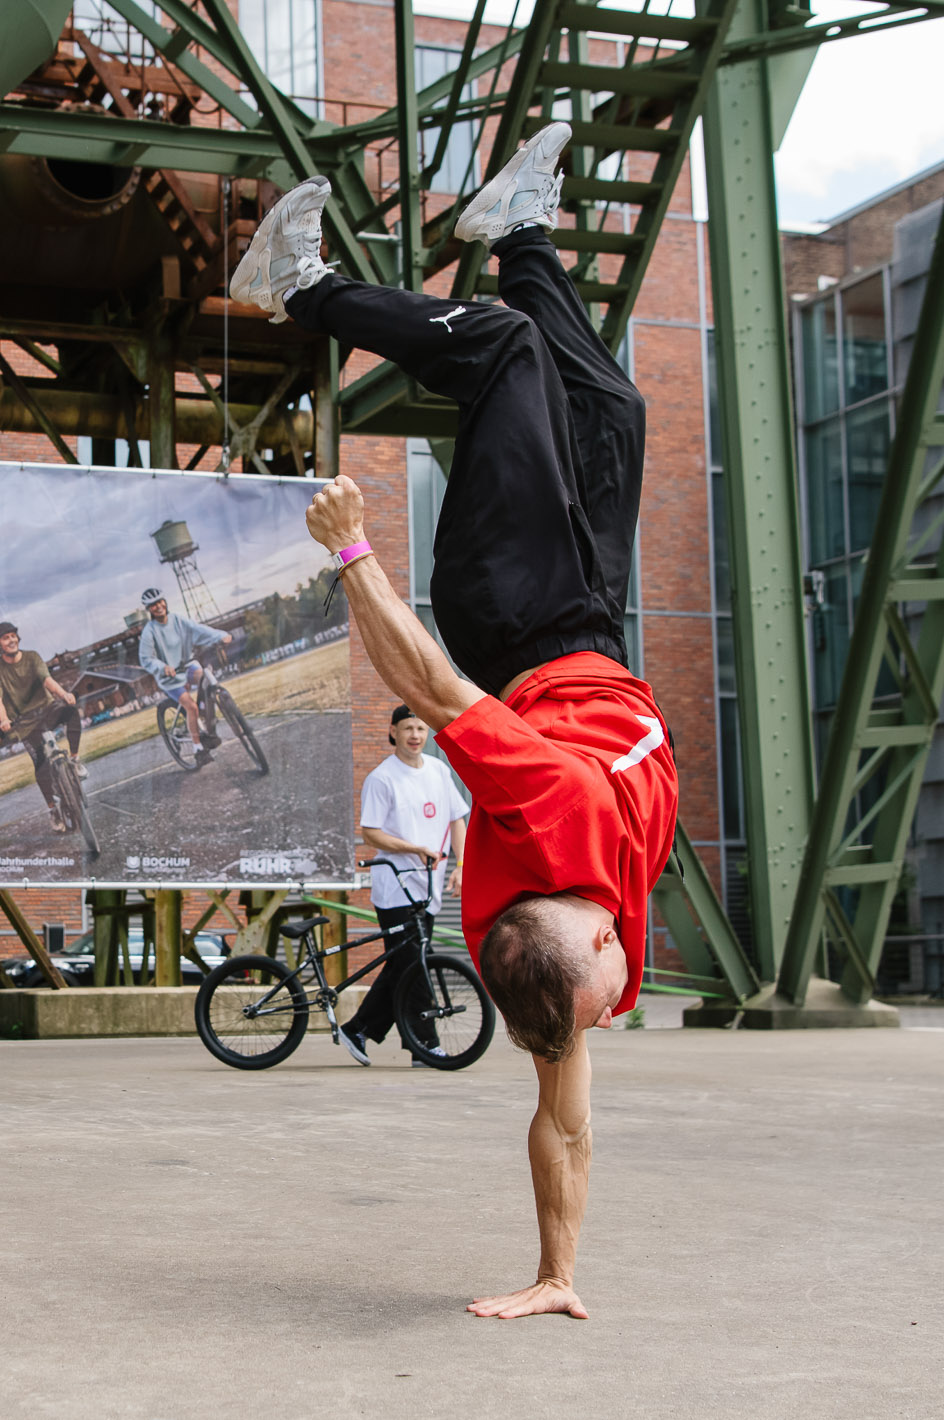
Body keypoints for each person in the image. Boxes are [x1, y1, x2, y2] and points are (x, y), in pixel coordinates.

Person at [231, 126, 678, 1319]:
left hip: (517, 614)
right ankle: (515, 231)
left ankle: (303, 289)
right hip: (596, 617)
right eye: (603, 1001)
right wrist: (555, 1276)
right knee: (616, 411)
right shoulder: (555, 979)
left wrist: (353, 553)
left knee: (507, 352)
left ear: (576, 932)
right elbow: (564, 1131)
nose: (625, 985)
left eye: (607, 983)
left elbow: (429, 688)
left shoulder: (557, 805)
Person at [337, 704, 470, 1067]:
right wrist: (414, 848)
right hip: (395, 889)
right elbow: (370, 832)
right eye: (408, 728)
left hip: (429, 888)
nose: (415, 735)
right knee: (414, 965)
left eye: (421, 729)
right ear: (393, 731)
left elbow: (457, 819)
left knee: (402, 965)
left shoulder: (439, 771)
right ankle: (424, 1045)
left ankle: (358, 1028)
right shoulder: (383, 778)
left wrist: (461, 863)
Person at [0, 621, 87, 831]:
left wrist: (64, 694)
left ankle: (75, 760)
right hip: (23, 722)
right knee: (40, 764)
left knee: (71, 713)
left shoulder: (32, 656)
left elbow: (46, 680)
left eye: (13, 635)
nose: (12, 640)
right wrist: (4, 719)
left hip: (46, 709)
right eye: (6, 638)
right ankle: (53, 810)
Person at [136, 587, 231, 761]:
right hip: (169, 678)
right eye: (153, 605)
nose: (158, 606)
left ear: (164, 602)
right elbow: (146, 658)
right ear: (149, 609)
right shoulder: (149, 632)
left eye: (159, 602)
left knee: (205, 678)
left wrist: (220, 635)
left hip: (186, 666)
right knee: (191, 707)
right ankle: (198, 749)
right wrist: (162, 667)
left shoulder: (177, 620)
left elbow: (198, 629)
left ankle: (207, 715)